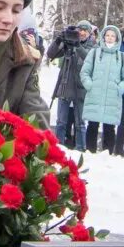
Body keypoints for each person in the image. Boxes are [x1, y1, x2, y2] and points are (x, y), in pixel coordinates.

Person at [79, 25, 124, 153]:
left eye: (112, 36)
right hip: (95, 94)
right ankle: (90, 152)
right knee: (92, 125)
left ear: (117, 38)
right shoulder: (94, 53)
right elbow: (84, 72)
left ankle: (107, 154)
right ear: (103, 37)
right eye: (107, 35)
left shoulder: (122, 57)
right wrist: (89, 85)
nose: (109, 38)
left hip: (112, 98)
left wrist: (119, 89)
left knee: (109, 127)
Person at [48, 21, 93, 155]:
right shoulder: (68, 43)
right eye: (80, 30)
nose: (82, 33)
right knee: (61, 121)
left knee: (80, 123)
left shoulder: (92, 46)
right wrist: (58, 41)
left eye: (85, 30)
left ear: (89, 33)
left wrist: (77, 45)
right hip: (65, 85)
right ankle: (59, 147)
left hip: (81, 88)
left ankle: (81, 148)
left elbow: (88, 58)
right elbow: (51, 54)